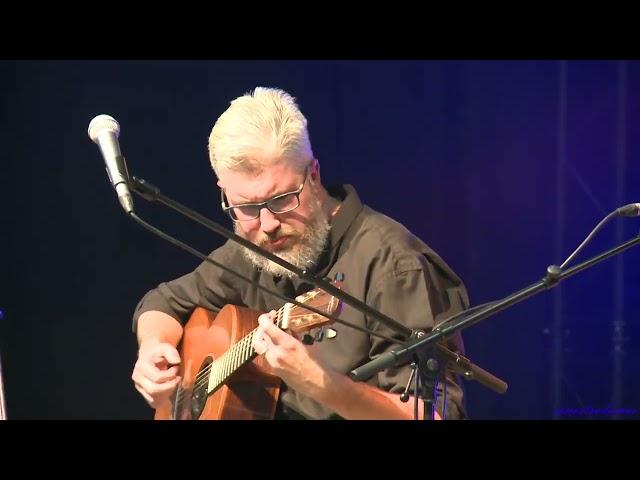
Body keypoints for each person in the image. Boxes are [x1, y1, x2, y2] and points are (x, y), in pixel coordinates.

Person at [131, 87, 469, 420]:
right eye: (246, 207)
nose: (267, 224)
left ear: (314, 176)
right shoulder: (249, 251)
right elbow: (163, 302)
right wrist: (153, 348)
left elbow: (435, 415)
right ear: (225, 194)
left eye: (281, 199)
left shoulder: (393, 265)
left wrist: (320, 384)